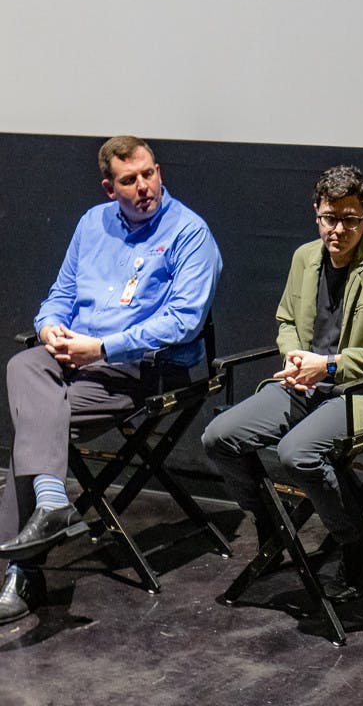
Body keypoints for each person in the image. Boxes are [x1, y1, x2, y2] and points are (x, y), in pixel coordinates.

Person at [0, 135, 222, 623]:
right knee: (23, 364)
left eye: (149, 174)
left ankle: (23, 571)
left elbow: (183, 322)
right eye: (129, 180)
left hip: (141, 368)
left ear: (158, 170)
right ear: (109, 187)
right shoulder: (92, 223)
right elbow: (61, 293)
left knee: (35, 431)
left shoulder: (190, 233)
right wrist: (47, 326)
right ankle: (53, 501)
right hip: (75, 355)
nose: (144, 187)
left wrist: (100, 347)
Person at [201, 165, 363, 602]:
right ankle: (273, 524)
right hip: (303, 384)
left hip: (362, 392)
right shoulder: (304, 258)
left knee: (297, 453)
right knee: (218, 436)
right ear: (316, 214)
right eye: (328, 218)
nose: (337, 229)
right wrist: (294, 355)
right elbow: (285, 319)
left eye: (349, 219)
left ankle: (357, 542)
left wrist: (331, 366)